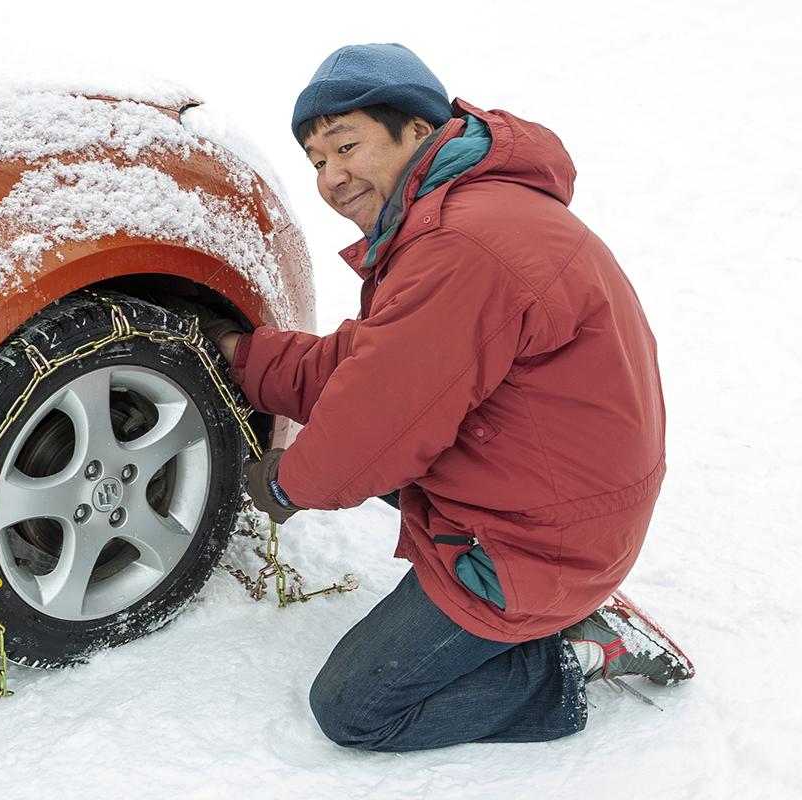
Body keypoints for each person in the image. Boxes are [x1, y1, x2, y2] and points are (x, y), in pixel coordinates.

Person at [192, 43, 694, 752]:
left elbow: (373, 427)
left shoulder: (462, 245)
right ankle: (572, 610)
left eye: (346, 144)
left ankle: (575, 656)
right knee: (374, 441)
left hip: (536, 543)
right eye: (316, 161)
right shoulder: (470, 212)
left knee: (354, 709)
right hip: (561, 501)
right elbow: (371, 371)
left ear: (420, 131)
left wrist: (286, 483)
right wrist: (247, 356)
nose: (332, 177)